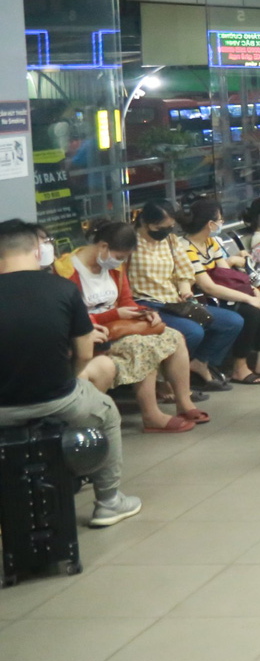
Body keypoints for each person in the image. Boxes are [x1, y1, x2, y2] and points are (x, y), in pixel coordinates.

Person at [0, 220, 139, 526]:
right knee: (107, 414)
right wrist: (71, 379)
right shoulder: (62, 289)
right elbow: (85, 352)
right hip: (57, 397)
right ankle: (108, 501)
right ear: (37, 250)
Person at [56, 220, 201, 433]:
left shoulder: (113, 267)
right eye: (120, 257)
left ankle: (184, 402)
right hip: (91, 333)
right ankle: (151, 415)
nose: (120, 263)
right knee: (142, 345)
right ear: (103, 247)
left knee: (175, 336)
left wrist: (143, 313)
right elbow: (72, 318)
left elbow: (126, 301)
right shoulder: (65, 272)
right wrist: (113, 314)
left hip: (119, 326)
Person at [130, 200, 243, 391]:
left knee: (232, 321)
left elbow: (184, 271)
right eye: (162, 227)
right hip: (146, 303)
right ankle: (169, 379)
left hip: (175, 301)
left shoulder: (171, 241)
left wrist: (184, 288)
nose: (166, 231)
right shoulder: (131, 244)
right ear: (148, 224)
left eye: (170, 227)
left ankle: (200, 363)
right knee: (192, 332)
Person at [181, 197, 260, 383]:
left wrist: (252, 291)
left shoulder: (211, 243)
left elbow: (228, 276)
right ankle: (239, 367)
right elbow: (207, 286)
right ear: (210, 224)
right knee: (250, 311)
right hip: (206, 298)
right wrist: (248, 299)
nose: (222, 223)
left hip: (222, 294)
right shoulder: (186, 248)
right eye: (220, 220)